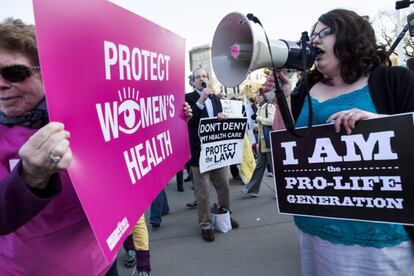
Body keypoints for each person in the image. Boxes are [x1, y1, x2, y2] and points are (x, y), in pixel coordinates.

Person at [0, 18, 193, 275]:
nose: (1, 84)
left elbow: (136, 151)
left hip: (100, 264)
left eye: (13, 73)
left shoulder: (93, 115)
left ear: (45, 70)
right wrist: (29, 179)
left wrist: (173, 119)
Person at [264, 9, 414, 275]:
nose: (314, 41)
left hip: (378, 238)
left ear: (349, 35)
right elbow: (285, 148)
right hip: (315, 230)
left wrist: (376, 120)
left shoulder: (393, 80)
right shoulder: (305, 87)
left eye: (324, 33)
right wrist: (283, 98)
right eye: (312, 36)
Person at [185, 67, 239, 242]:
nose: (201, 78)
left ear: (208, 79)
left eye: (204, 76)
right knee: (203, 192)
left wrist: (222, 117)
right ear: (193, 81)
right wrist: (201, 99)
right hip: (199, 152)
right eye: (197, 77)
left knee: (224, 185)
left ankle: (225, 214)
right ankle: (206, 225)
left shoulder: (216, 98)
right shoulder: (187, 99)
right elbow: (190, 122)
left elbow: (218, 118)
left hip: (217, 152)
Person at [241, 89, 274, 197]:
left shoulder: (269, 106)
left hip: (269, 143)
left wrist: (258, 118)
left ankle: (283, 191)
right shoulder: (261, 107)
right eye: (257, 95)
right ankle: (252, 189)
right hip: (263, 143)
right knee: (259, 168)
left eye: (260, 95)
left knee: (275, 169)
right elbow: (261, 125)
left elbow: (271, 121)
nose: (258, 97)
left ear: (265, 96)